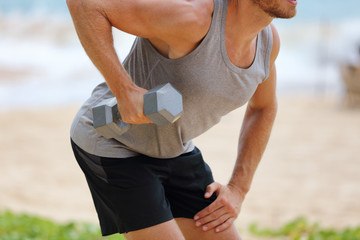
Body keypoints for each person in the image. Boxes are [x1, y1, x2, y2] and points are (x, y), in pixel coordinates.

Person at [66, 0, 297, 239]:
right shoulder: (193, 18)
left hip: (175, 149)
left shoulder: (268, 42)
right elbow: (85, 5)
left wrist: (239, 188)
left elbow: (263, 107)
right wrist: (124, 90)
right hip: (113, 142)